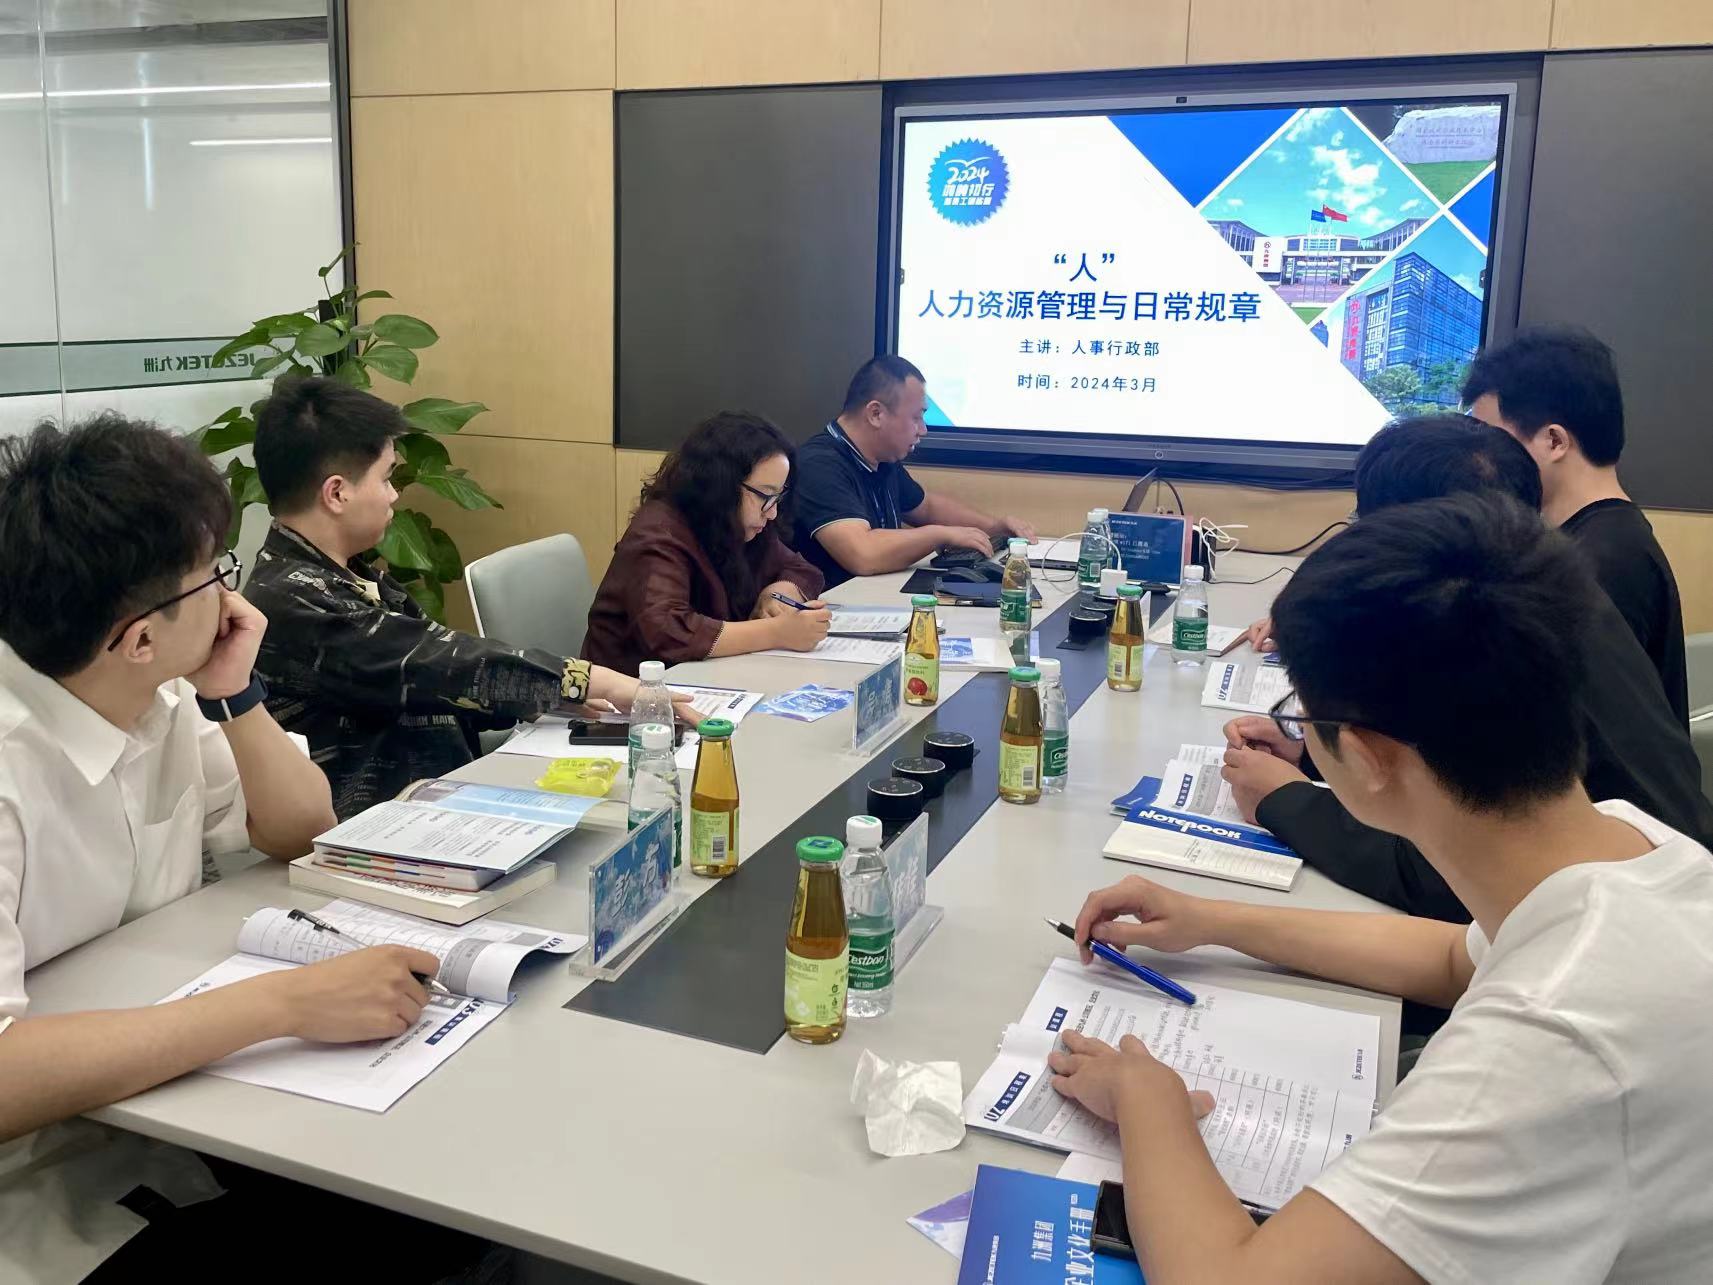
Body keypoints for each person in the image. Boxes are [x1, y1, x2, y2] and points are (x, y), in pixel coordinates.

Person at [1054, 492, 1713, 1282]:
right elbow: (1449, 957)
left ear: (1366, 757)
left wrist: (1146, 1103)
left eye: (1302, 716)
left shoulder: (1550, 1039)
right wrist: (1211, 919)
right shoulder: (1628, 845)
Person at [0, 415, 469, 1280]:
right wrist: (285, 1004)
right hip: (48, 1190)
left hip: (174, 1114)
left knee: (443, 1207)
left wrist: (237, 692)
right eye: (215, 572)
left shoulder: (156, 693)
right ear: (140, 637)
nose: (233, 595)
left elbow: (300, 829)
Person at [1220, 414, 1713, 922]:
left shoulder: (1479, 644)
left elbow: (1453, 872)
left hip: (1625, 914)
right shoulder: (1542, 604)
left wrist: (1287, 801)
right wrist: (1320, 751)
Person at [246, 377, 686, 819]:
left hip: (441, 797)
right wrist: (594, 681)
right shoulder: (293, 600)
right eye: (386, 477)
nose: (394, 495)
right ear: (337, 493)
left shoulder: (349, 573)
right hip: (382, 826)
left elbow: (441, 684)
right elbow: (439, 662)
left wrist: (550, 697)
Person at [1462, 325, 1688, 724]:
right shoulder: (1611, 539)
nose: (1480, 460)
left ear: (1554, 441)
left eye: (1490, 442)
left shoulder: (1600, 563)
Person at [584, 411, 830, 673]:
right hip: (634, 688)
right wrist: (776, 632)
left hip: (707, 675)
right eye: (765, 496)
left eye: (778, 497)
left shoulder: (741, 524)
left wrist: (777, 595)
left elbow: (802, 569)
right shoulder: (658, 533)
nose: (772, 513)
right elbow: (667, 631)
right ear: (722, 485)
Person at [792, 355, 1036, 588]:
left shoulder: (882, 458)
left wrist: (994, 527)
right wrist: (940, 535)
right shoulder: (819, 465)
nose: (923, 430)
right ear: (876, 414)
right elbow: (863, 554)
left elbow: (926, 507)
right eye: (916, 417)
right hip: (831, 608)